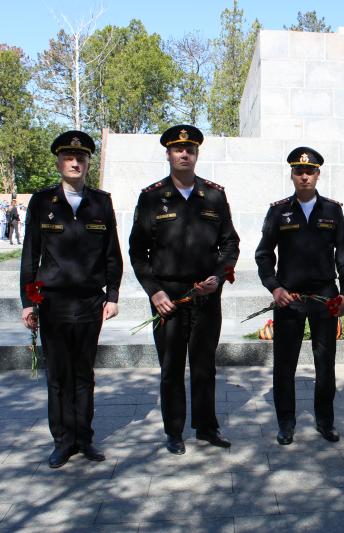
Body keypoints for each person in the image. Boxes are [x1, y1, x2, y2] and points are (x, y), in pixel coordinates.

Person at [129, 124, 240, 455]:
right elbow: (137, 251)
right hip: (169, 299)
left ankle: (206, 427)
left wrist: (219, 277)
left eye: (190, 149)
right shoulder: (151, 198)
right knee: (172, 367)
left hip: (206, 296)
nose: (184, 154)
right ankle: (174, 431)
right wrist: (154, 292)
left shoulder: (214, 195)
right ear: (168, 154)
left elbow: (230, 243)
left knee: (205, 365)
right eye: (178, 149)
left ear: (196, 154)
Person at [20, 130, 123, 468]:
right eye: (68, 157)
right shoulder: (42, 202)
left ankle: (83, 438)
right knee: (58, 376)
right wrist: (28, 301)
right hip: (53, 303)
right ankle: (62, 441)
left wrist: (113, 295)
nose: (75, 162)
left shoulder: (101, 202)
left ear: (89, 162)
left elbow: (112, 254)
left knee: (83, 374)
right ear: (59, 161)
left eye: (81, 158)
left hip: (90, 303)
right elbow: (30, 254)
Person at [255, 147, 344, 445]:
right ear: (292, 175)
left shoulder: (332, 210)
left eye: (310, 171)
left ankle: (325, 422)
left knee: (325, 363)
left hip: (325, 296)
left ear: (318, 174)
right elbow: (263, 254)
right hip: (290, 298)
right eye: (299, 171)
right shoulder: (279, 210)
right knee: (285, 364)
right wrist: (275, 287)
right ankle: (286, 423)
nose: (305, 176)